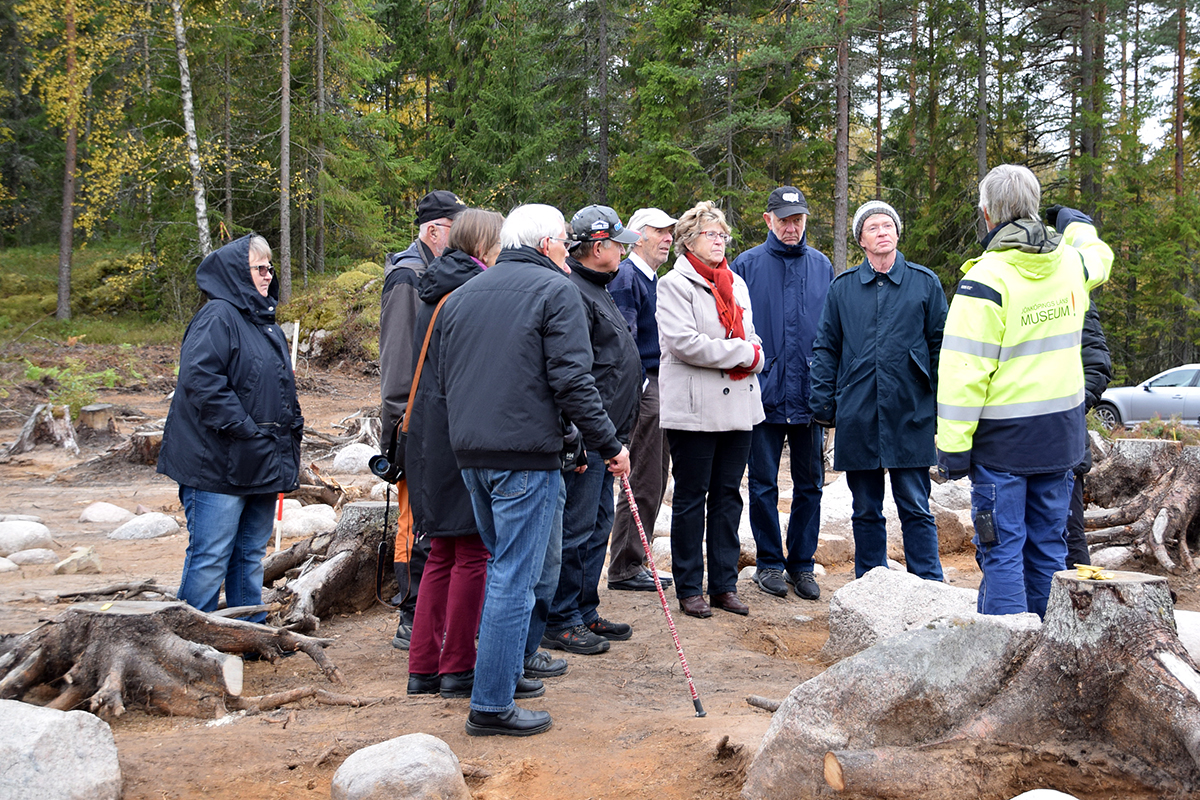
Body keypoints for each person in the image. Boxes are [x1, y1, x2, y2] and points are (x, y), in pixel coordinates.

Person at [438, 203, 631, 737]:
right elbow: (573, 380)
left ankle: (503, 675)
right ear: (547, 243)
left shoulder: (463, 295)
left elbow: (445, 383)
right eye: (562, 242)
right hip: (521, 457)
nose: (567, 250)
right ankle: (491, 704)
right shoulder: (556, 292)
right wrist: (610, 443)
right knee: (513, 577)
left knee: (509, 569)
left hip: (474, 454)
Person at [936, 165, 1113, 618]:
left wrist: (953, 450)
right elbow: (1100, 255)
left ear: (987, 213)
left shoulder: (985, 281)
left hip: (1004, 450)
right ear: (1035, 207)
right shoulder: (1071, 264)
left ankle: (1007, 662)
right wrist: (1075, 222)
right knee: (1050, 553)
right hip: (1060, 441)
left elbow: (963, 375)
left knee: (1002, 554)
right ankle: (1047, 660)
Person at [404, 208, 542, 700]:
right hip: (457, 432)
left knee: (441, 550)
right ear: (486, 245)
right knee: (471, 553)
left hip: (430, 433)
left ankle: (424, 666)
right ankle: (458, 667)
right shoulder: (468, 289)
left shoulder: (436, 285)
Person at [158, 234, 302, 624]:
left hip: (258, 461)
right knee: (209, 556)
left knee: (248, 555)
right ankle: (192, 643)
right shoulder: (218, 315)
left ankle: (248, 634)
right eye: (260, 268)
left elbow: (276, 385)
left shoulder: (260, 319)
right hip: (216, 464)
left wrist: (287, 429)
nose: (268, 276)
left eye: (270, 267)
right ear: (239, 271)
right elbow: (201, 379)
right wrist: (244, 428)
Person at [809, 201, 947, 580]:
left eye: (888, 225)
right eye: (873, 228)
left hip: (911, 410)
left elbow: (941, 346)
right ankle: (870, 582)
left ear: (898, 233)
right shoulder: (843, 288)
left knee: (916, 505)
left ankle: (929, 582)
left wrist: (942, 403)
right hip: (859, 411)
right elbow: (826, 347)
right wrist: (823, 403)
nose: (882, 232)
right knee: (865, 508)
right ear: (861, 240)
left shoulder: (924, 282)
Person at [539, 205, 642, 656]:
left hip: (608, 435)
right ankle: (561, 619)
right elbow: (573, 374)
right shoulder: (573, 292)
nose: (625, 249)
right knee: (577, 527)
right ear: (598, 247)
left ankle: (584, 607)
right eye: (619, 243)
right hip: (588, 437)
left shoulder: (598, 287)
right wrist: (589, 436)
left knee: (599, 524)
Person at [657, 201, 764, 619]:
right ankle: (688, 588)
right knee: (689, 498)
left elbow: (752, 334)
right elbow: (684, 343)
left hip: (739, 407)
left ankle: (723, 585)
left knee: (727, 497)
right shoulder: (674, 284)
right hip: (694, 409)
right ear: (689, 240)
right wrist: (743, 353)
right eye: (710, 234)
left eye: (723, 235)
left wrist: (749, 351)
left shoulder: (736, 282)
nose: (719, 241)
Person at [731, 187, 834, 601]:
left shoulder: (822, 265)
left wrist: (828, 389)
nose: (792, 227)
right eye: (785, 219)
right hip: (763, 393)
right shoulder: (746, 265)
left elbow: (831, 332)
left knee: (811, 484)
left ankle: (803, 565)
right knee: (762, 483)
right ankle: (770, 562)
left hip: (810, 397)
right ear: (767, 219)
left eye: (798, 219)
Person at [379, 189, 466, 650]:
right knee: (414, 522)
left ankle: (430, 614)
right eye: (457, 227)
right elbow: (398, 362)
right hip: (412, 423)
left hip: (436, 417)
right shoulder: (408, 279)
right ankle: (410, 615)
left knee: (436, 520)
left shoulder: (435, 275)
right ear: (435, 230)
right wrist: (399, 426)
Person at [607, 208, 678, 593]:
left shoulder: (653, 280)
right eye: (659, 231)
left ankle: (632, 561)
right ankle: (625, 566)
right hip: (643, 389)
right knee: (644, 480)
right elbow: (624, 343)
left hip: (660, 385)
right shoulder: (626, 276)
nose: (667, 238)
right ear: (637, 235)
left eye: (671, 232)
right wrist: (642, 390)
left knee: (654, 478)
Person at [1064, 296, 1112, 568]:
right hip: (1009, 445)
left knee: (1069, 535)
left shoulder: (1073, 289)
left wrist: (1064, 413)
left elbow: (1097, 367)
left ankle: (1076, 607)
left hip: (1063, 447)